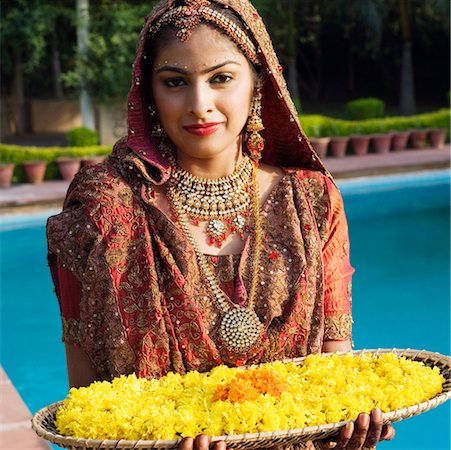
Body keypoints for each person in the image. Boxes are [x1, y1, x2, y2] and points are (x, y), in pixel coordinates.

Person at [47, 1, 395, 449]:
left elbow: (331, 374)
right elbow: (84, 410)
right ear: (148, 93)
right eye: (175, 82)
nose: (199, 105)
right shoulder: (103, 211)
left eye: (221, 78)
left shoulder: (311, 201)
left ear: (257, 83)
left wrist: (345, 433)